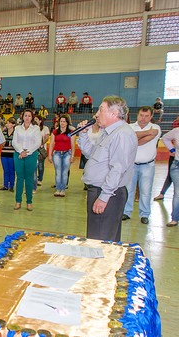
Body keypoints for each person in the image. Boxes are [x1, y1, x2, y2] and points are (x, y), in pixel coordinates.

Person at [77, 95, 138, 241]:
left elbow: (118, 168)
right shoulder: (108, 132)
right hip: (101, 191)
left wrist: (104, 197)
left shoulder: (121, 134)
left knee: (99, 241)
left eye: (101, 110)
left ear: (114, 113)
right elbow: (92, 153)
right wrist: (83, 134)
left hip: (108, 193)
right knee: (102, 239)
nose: (97, 114)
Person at [121, 106, 161, 224]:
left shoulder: (156, 127)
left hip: (148, 165)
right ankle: (126, 212)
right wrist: (148, 133)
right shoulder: (129, 127)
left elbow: (137, 141)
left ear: (151, 116)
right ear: (137, 115)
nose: (143, 119)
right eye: (141, 115)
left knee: (146, 191)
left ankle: (144, 214)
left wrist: (135, 138)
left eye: (146, 116)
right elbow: (129, 141)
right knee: (129, 190)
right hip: (131, 165)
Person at [12, 109, 42, 211]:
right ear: (22, 117)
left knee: (29, 178)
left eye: (29, 116)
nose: (27, 118)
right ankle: (18, 201)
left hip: (31, 155)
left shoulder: (36, 129)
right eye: (25, 115)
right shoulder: (17, 128)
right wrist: (21, 151)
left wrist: (26, 153)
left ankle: (29, 202)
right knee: (19, 178)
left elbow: (37, 143)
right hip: (18, 154)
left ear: (32, 117)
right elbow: (14, 142)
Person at [47, 114, 75, 197]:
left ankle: (63, 189)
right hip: (57, 154)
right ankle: (58, 189)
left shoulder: (70, 132)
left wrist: (72, 156)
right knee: (58, 172)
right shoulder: (55, 132)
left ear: (67, 123)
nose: (62, 123)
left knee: (65, 172)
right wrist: (50, 155)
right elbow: (52, 144)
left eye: (64, 121)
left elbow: (73, 144)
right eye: (61, 121)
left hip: (67, 153)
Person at [161, 127, 179, 227]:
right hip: (177, 165)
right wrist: (172, 149)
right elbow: (165, 138)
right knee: (177, 193)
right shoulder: (176, 131)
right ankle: (174, 218)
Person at [0, 117, 16, 191]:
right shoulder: (4, 132)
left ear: (13, 124)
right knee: (5, 170)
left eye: (9, 123)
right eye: (7, 123)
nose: (7, 124)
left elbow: (15, 143)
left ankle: (12, 185)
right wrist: (9, 143)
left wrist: (7, 143)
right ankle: (5, 185)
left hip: (12, 154)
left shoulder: (16, 133)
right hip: (4, 154)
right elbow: (1, 142)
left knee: (12, 170)